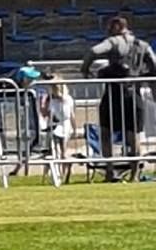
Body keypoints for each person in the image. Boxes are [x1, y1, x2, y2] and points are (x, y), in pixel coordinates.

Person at [81, 16, 156, 181]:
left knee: (106, 132)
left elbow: (93, 52)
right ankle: (134, 175)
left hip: (114, 93)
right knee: (133, 135)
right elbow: (154, 66)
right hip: (133, 94)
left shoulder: (113, 42)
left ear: (115, 27)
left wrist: (85, 70)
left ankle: (109, 171)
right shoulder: (143, 45)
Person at [44, 76, 75, 164]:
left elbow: (71, 114)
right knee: (56, 149)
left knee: (62, 150)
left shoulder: (67, 99)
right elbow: (47, 113)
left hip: (64, 124)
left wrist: (74, 127)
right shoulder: (51, 99)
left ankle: (63, 171)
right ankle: (59, 169)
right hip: (55, 125)